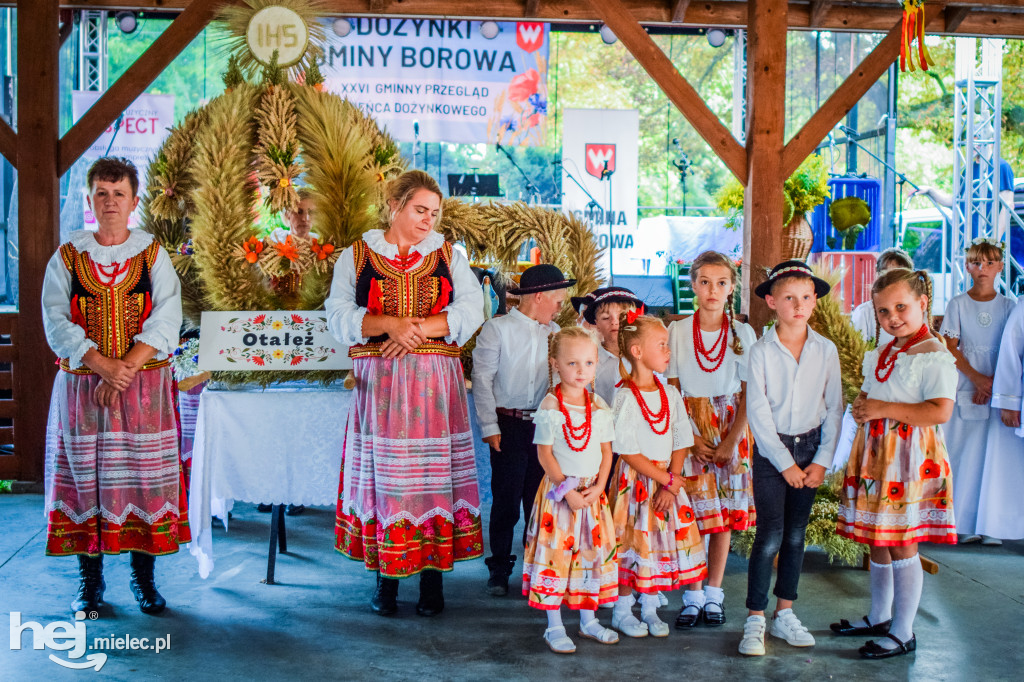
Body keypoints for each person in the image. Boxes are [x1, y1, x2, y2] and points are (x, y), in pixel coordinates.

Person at [326, 170, 485, 617]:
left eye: (434, 213)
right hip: (380, 386)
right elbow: (338, 314)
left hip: (434, 384)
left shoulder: (448, 255)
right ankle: (387, 579)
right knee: (388, 480)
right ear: (394, 204)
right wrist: (386, 325)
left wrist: (410, 330)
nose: (428, 220)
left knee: (433, 479)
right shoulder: (356, 255)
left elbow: (472, 308)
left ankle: (432, 580)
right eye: (420, 210)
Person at [42, 156, 188, 616]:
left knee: (143, 482)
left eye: (118, 194)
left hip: (142, 388)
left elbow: (168, 315)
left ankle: (143, 580)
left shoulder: (152, 255)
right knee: (88, 483)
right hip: (85, 387)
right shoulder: (68, 256)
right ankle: (90, 583)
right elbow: (55, 318)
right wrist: (103, 365)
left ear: (134, 201)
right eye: (101, 194)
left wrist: (124, 368)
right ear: (89, 200)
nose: (110, 202)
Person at [834, 268, 957, 659]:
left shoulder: (934, 355)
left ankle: (904, 632)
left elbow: (939, 411)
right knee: (880, 542)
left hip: (908, 460)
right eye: (883, 311)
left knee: (903, 543)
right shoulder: (887, 351)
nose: (893, 318)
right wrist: (862, 407)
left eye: (901, 307)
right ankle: (879, 615)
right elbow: (872, 394)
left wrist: (881, 408)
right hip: (877, 457)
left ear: (923, 304)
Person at [740, 261, 843, 656]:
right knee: (769, 536)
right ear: (771, 302)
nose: (798, 305)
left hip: (812, 446)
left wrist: (821, 461)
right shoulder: (761, 351)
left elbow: (834, 407)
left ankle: (785, 613)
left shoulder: (825, 350)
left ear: (814, 301)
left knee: (796, 536)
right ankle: (754, 619)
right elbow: (759, 413)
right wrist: (785, 463)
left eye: (805, 297)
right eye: (788, 298)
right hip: (773, 452)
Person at [472, 264, 576, 597]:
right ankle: (500, 567)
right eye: (557, 298)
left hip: (544, 427)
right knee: (505, 498)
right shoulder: (498, 329)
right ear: (539, 296)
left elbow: (561, 384)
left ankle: (536, 566)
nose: (561, 305)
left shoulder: (556, 333)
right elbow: (484, 380)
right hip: (509, 423)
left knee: (539, 498)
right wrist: (489, 424)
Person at [666, 251, 757, 630]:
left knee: (722, 519)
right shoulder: (676, 331)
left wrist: (731, 440)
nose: (712, 290)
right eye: (705, 282)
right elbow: (670, 388)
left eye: (721, 283)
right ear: (693, 286)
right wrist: (690, 437)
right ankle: (692, 594)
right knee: (694, 514)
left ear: (732, 288)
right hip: (688, 425)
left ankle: (714, 594)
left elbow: (751, 393)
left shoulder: (743, 334)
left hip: (731, 425)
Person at [522, 327, 619, 654]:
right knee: (557, 557)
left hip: (592, 495)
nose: (582, 371)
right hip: (560, 496)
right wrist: (568, 491)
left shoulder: (599, 404)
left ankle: (589, 620)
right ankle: (554, 626)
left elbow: (607, 452)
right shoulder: (551, 405)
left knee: (589, 556)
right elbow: (544, 455)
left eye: (589, 363)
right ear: (556, 364)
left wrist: (600, 486)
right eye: (573, 363)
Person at [610, 312, 707, 639]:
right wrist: (664, 480)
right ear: (637, 352)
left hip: (667, 480)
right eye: (662, 345)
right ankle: (623, 611)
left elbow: (681, 437)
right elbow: (626, 449)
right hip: (637, 482)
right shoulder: (625, 396)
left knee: (655, 544)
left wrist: (674, 477)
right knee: (631, 542)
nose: (668, 352)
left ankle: (649, 608)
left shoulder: (670, 393)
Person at [940, 238, 1017, 545]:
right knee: (964, 454)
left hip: (998, 391)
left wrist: (994, 384)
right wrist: (977, 379)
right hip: (966, 387)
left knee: (993, 457)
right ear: (966, 266)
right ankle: (963, 523)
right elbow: (949, 346)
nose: (982, 268)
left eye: (989, 262)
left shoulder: (1010, 306)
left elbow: (1013, 351)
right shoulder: (957, 304)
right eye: (975, 262)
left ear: (1000, 266)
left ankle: (991, 525)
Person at [570, 286, 644, 405]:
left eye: (622, 316)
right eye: (605, 318)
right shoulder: (587, 361)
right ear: (596, 324)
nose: (614, 322)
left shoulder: (644, 358)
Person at [850, 248, 915, 347]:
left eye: (899, 276)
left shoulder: (916, 310)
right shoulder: (864, 312)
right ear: (878, 277)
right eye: (887, 275)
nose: (892, 282)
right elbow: (856, 352)